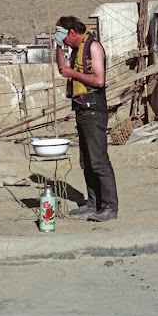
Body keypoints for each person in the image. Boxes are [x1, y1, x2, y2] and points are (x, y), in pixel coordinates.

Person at [54, 16, 119, 222]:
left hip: (93, 109)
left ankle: (109, 206)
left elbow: (99, 80)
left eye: (63, 38)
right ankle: (93, 203)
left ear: (72, 33)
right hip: (81, 109)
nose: (64, 43)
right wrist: (57, 47)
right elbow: (63, 69)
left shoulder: (93, 47)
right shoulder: (75, 51)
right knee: (87, 162)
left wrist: (73, 72)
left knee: (99, 160)